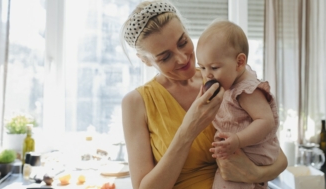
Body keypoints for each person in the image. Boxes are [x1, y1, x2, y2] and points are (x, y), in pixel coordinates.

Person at [120, 1, 287, 189]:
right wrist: (188, 129)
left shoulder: (222, 77)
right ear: (145, 60)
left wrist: (255, 174)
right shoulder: (136, 102)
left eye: (183, 42)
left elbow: (277, 156)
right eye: (165, 57)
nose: (183, 58)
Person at [197, 19, 280, 189]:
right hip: (239, 153)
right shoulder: (229, 83)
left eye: (214, 67)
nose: (208, 75)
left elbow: (266, 121)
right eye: (203, 68)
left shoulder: (246, 91)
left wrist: (237, 140)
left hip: (248, 154)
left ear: (240, 62)